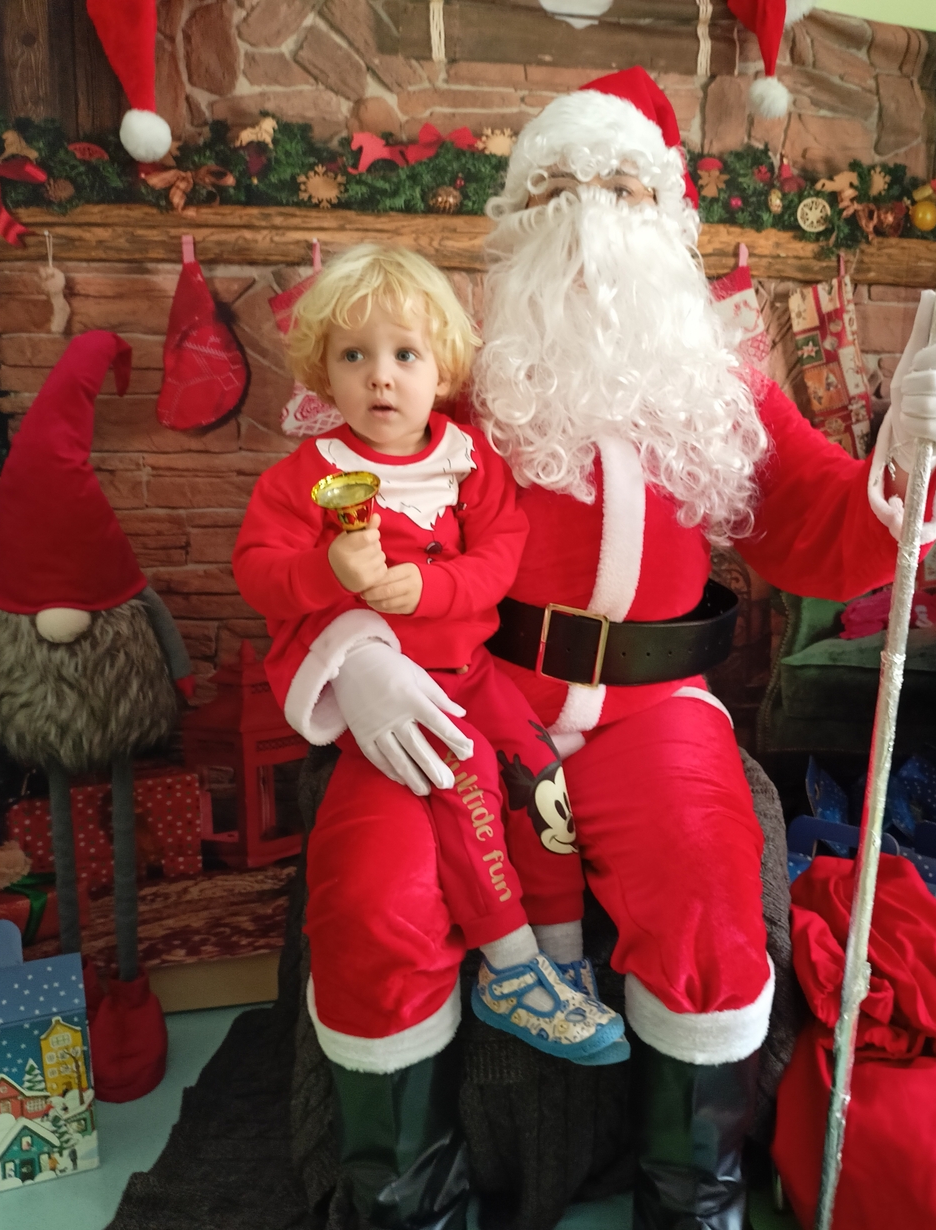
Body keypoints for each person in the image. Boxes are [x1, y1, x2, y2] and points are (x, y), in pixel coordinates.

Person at [283, 72, 936, 1230]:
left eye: (620, 184)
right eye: (555, 186)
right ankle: (405, 1211)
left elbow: (819, 525)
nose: (588, 213)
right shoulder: (445, 376)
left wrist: (913, 453)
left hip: (653, 708)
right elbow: (321, 525)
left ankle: (690, 1206)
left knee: (707, 903)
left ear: (669, 216)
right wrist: (358, 653)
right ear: (513, 220)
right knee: (372, 899)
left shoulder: (721, 380)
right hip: (464, 693)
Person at [233, 244, 627, 1082]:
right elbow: (258, 574)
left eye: (405, 355)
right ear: (325, 373)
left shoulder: (470, 460)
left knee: (539, 773)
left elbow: (500, 558)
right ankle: (509, 967)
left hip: (472, 673)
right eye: (355, 356)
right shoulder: (306, 477)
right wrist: (327, 572)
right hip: (383, 691)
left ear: (442, 367)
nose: (381, 376)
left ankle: (561, 954)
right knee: (468, 776)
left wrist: (431, 588)